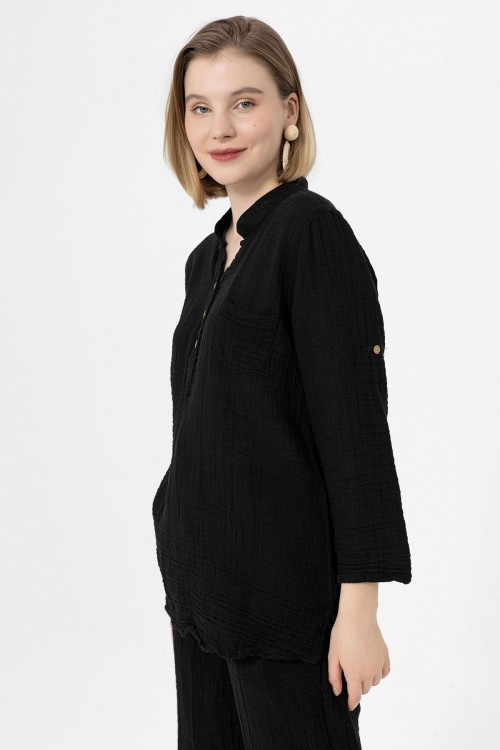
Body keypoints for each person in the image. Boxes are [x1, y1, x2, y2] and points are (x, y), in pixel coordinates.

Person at [152, 15, 412, 750]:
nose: (220, 128)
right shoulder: (208, 260)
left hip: (286, 605)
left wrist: (359, 613)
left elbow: (355, 433)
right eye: (200, 107)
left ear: (289, 110)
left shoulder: (311, 235)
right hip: (201, 595)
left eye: (245, 102)